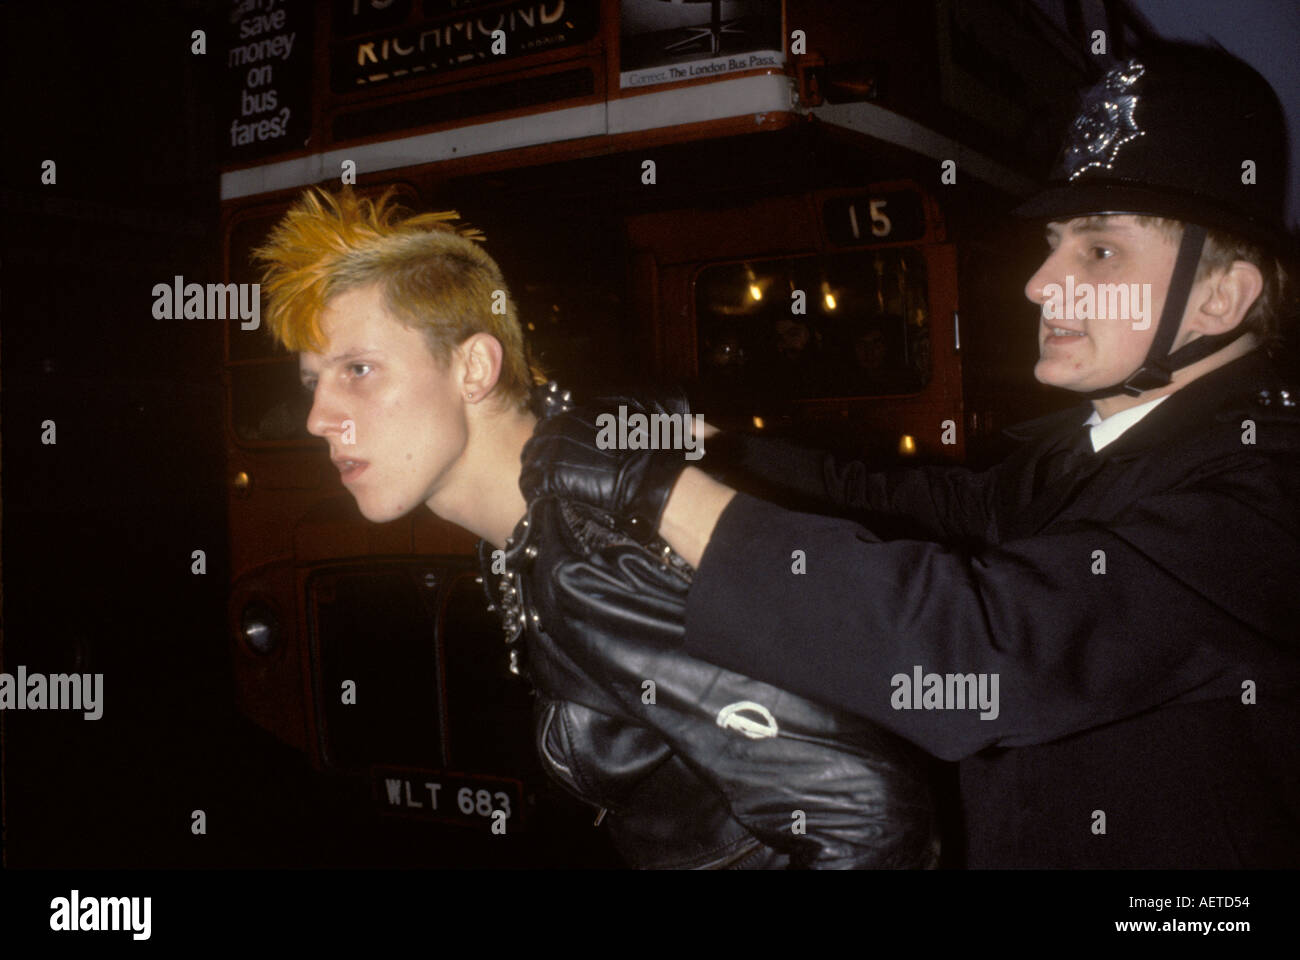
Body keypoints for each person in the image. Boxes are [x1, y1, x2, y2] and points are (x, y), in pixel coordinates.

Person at [520, 43, 1300, 867]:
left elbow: (984, 648)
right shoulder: (1084, 457)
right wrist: (684, 443)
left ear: (1222, 297)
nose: (1041, 283)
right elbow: (888, 496)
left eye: (1098, 251)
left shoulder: (1269, 493)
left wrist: (660, 493)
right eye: (1054, 242)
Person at [253, 187, 939, 868]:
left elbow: (869, 817)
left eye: (359, 370)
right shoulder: (543, 509)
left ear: (474, 367)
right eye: (314, 381)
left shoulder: (583, 555)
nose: (320, 417)